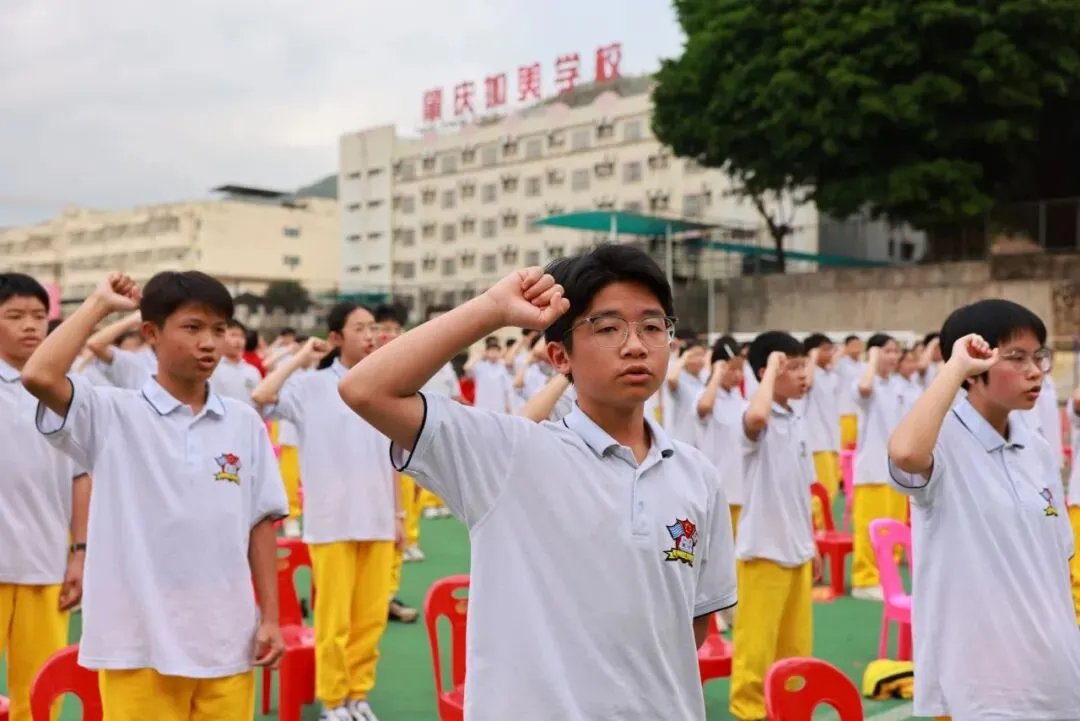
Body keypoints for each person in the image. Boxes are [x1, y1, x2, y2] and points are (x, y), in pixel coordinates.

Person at [337, 245, 737, 720]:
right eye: (608, 328)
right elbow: (365, 389)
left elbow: (689, 624)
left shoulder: (697, 477)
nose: (636, 345)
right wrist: (492, 308)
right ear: (559, 356)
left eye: (653, 326)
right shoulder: (507, 456)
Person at [21, 271, 287, 721]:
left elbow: (261, 521)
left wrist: (272, 617)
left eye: (219, 329)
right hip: (136, 646)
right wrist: (99, 305)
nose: (210, 342)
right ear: (151, 334)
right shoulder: (111, 414)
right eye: (193, 327)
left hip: (226, 642)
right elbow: (40, 375)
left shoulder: (242, 423)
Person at [888, 299, 1080, 720]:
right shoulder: (943, 442)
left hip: (1055, 675)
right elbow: (905, 453)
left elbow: (1057, 561)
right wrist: (953, 368)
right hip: (982, 685)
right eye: (1016, 357)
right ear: (974, 370)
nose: (1035, 371)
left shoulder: (1038, 450)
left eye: (1038, 356)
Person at [252, 301, 406, 721]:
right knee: (334, 622)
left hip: (376, 520)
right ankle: (333, 700)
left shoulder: (385, 387)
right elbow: (261, 398)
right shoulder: (310, 386)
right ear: (336, 338)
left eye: (374, 327)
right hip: (332, 522)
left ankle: (358, 695)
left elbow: (393, 457)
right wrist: (302, 357)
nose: (372, 335)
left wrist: (398, 517)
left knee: (370, 621)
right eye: (361, 328)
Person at [0, 273, 90, 721]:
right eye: (14, 316)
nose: (30, 325)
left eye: (38, 315)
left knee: (36, 696)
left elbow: (81, 478)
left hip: (45, 563)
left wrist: (79, 554)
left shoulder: (66, 391)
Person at [729, 331, 819, 721]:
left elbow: (804, 491)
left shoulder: (797, 418)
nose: (803, 375)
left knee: (796, 645)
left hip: (796, 547)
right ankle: (749, 711)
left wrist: (812, 544)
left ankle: (789, 707)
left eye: (804, 366)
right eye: (792, 367)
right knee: (756, 644)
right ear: (768, 372)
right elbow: (757, 417)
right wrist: (768, 374)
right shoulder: (753, 417)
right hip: (764, 549)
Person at [850, 333, 906, 601]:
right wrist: (871, 359)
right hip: (872, 469)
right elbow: (863, 389)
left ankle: (887, 577)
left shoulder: (898, 386)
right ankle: (864, 579)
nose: (894, 356)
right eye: (887, 351)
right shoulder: (865, 382)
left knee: (894, 526)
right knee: (869, 528)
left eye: (897, 351)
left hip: (897, 470)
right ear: (874, 354)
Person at [209, 319, 262, 406]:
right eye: (233, 335)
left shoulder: (252, 371)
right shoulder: (213, 368)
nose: (238, 340)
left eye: (242, 336)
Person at [834, 335, 864, 449]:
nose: (856, 348)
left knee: (858, 445)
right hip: (846, 411)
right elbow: (831, 365)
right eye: (853, 345)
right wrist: (841, 351)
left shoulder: (865, 365)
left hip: (860, 412)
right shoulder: (841, 364)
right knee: (846, 446)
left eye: (858, 344)